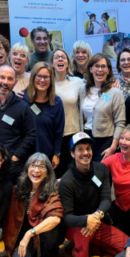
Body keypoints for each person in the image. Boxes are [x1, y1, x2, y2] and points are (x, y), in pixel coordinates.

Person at [59, 132, 129, 257]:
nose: (85, 153)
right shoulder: (66, 181)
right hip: (77, 226)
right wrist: (86, 220)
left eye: (88, 148)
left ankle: (87, 247)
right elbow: (66, 218)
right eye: (80, 149)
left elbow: (106, 199)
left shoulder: (101, 169)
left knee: (126, 248)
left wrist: (96, 216)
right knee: (83, 231)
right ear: (72, 153)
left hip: (97, 221)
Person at [0, 153, 65, 257]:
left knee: (46, 226)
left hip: (42, 237)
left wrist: (29, 233)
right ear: (27, 169)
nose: (36, 170)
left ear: (48, 172)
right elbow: (9, 219)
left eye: (41, 167)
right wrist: (9, 246)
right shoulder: (17, 190)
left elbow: (55, 218)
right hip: (26, 240)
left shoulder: (52, 191)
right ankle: (34, 253)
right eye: (32, 165)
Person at [80, 53, 125, 162]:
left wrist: (113, 147)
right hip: (85, 139)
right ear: (90, 69)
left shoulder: (115, 92)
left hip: (105, 142)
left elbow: (120, 122)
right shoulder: (83, 90)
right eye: (96, 66)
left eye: (103, 66)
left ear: (109, 70)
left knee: (99, 175)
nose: (100, 70)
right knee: (87, 172)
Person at [24, 62, 64, 169]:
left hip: (47, 154)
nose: (42, 80)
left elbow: (58, 132)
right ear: (33, 77)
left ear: (51, 80)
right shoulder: (23, 99)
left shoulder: (57, 102)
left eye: (46, 77)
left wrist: (56, 154)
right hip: (25, 154)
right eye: (39, 76)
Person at [52, 48, 84, 177]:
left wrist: (112, 82)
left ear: (68, 63)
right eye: (56, 57)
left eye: (63, 57)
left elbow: (95, 88)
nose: (60, 58)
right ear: (52, 63)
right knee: (55, 174)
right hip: (53, 137)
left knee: (73, 174)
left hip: (72, 134)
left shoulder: (77, 82)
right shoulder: (45, 83)